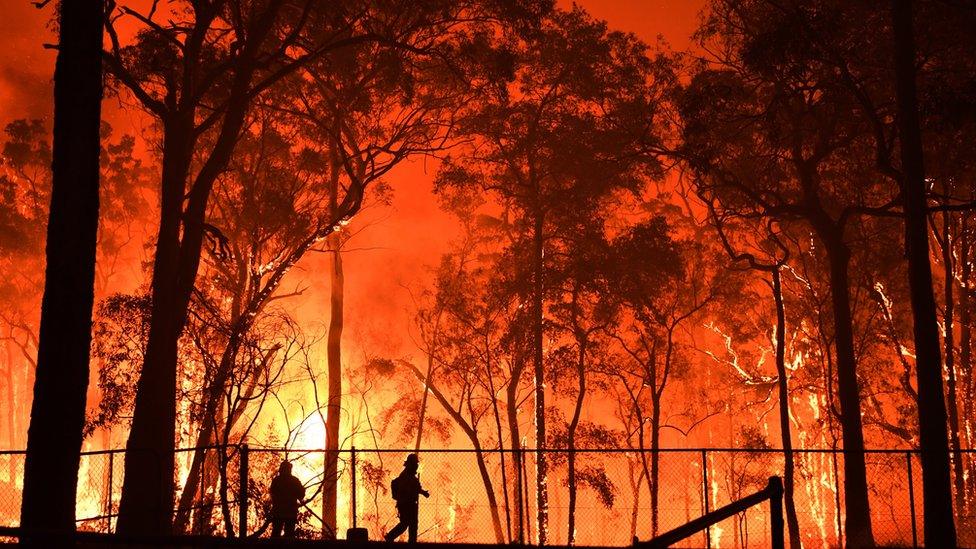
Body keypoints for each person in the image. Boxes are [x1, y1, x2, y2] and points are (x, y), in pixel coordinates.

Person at [385, 453, 430, 543]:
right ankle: (390, 536)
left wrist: (422, 492)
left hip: (409, 503)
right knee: (405, 524)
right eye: (415, 463)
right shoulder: (406, 476)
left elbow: (415, 488)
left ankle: (410, 542)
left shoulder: (409, 475)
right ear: (410, 464)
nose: (416, 465)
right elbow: (411, 488)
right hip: (406, 503)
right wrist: (422, 492)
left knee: (411, 525)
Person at [269, 460, 305, 538]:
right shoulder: (295, 481)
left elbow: (273, 494)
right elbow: (301, 495)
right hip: (290, 511)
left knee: (276, 532)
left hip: (279, 511)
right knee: (289, 533)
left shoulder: (276, 480)